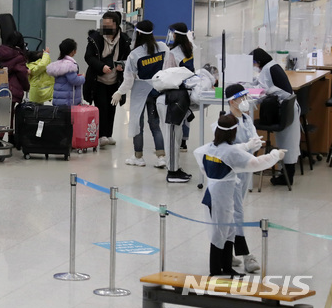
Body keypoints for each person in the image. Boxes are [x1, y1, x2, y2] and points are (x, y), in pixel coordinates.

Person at [194, 114, 284, 276]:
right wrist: (275, 155)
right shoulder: (230, 153)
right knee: (219, 233)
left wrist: (245, 146)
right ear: (232, 132)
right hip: (220, 198)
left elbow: (209, 157)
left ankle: (227, 267)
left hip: (215, 194)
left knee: (228, 231)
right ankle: (215, 270)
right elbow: (256, 163)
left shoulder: (209, 147)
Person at [112, 20, 175, 168]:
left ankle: (138, 157)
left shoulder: (134, 54)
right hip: (157, 90)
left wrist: (119, 92)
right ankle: (161, 157)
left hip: (140, 94)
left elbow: (128, 80)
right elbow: (168, 67)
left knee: (137, 125)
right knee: (155, 125)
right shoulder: (163, 47)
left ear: (138, 33)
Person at [225, 84, 263, 273]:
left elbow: (254, 141)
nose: (245, 101)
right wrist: (247, 146)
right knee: (237, 212)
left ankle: (227, 249)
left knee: (235, 212)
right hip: (230, 175)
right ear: (232, 101)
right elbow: (227, 150)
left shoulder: (247, 119)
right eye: (242, 98)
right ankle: (247, 256)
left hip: (245, 170)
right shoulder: (226, 122)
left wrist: (253, 145)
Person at [250, 48, 301, 185]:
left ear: (258, 61)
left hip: (285, 110)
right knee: (288, 144)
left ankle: (286, 178)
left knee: (287, 144)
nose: (254, 66)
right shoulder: (272, 66)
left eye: (254, 63)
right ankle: (286, 176)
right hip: (288, 108)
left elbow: (264, 90)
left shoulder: (268, 69)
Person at [84, 11, 131, 147]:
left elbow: (128, 58)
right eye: (104, 24)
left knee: (112, 107)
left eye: (109, 25)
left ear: (116, 25)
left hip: (115, 80)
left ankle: (108, 134)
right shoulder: (95, 38)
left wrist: (122, 66)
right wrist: (101, 66)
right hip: (98, 79)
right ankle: (101, 135)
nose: (106, 27)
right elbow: (89, 57)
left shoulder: (123, 40)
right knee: (101, 106)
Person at [166, 22, 195, 152]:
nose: (172, 36)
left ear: (177, 35)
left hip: (177, 87)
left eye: (173, 33)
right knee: (185, 115)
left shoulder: (174, 52)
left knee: (177, 115)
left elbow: (169, 71)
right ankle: (184, 142)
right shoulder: (189, 48)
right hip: (188, 86)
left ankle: (176, 142)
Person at [0, 31, 30, 142]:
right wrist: (26, 86)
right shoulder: (19, 57)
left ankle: (11, 137)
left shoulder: (1, 52)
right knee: (7, 113)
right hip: (12, 89)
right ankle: (0, 139)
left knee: (6, 113)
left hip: (1, 87)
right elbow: (22, 75)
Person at [46, 38, 85, 106]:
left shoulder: (58, 64)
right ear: (74, 51)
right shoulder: (69, 66)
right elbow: (74, 80)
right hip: (68, 101)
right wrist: (83, 77)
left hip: (58, 99)